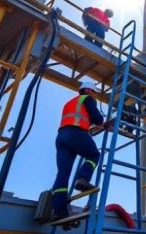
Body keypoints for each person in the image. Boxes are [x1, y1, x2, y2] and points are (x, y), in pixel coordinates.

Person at [51, 81, 104, 220]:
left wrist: (98, 126)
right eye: (94, 93)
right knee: (94, 155)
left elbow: (81, 119)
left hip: (61, 137)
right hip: (75, 134)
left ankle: (59, 211)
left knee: (63, 173)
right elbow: (98, 119)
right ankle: (83, 178)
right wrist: (101, 122)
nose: (95, 96)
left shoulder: (70, 102)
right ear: (88, 91)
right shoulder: (86, 99)